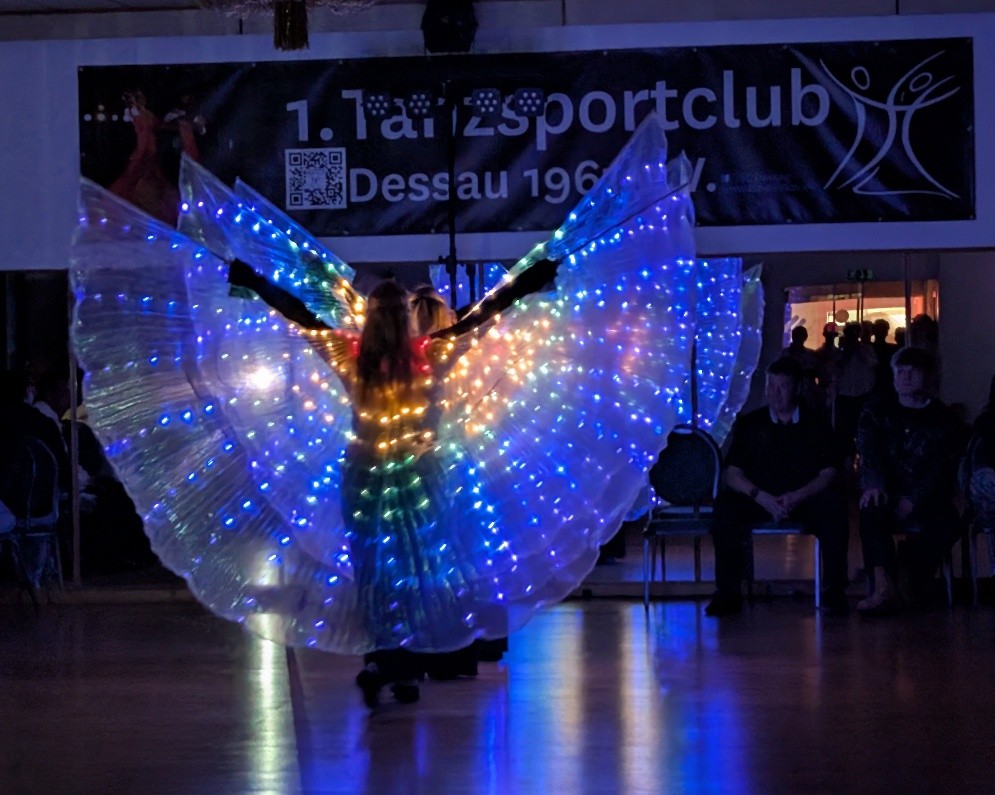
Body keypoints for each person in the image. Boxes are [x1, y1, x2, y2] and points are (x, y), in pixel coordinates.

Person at [227, 260, 557, 706]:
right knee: (417, 570)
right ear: (406, 317)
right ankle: (405, 666)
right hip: (419, 476)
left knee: (376, 572)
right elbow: (482, 315)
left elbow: (300, 314)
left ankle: (384, 660)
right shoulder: (431, 352)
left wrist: (256, 281)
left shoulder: (349, 354)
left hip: (364, 476)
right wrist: (528, 282)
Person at [705, 357, 850, 617]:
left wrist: (797, 496)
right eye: (771, 386)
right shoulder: (751, 424)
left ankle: (834, 590)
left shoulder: (816, 422)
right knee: (725, 510)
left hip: (804, 498)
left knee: (835, 509)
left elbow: (828, 473)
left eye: (782, 387)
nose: (775, 393)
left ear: (796, 388)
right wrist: (759, 496)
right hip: (761, 498)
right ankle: (728, 591)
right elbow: (733, 473)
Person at [855, 346, 965, 613]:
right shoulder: (877, 411)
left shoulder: (945, 419)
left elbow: (943, 468)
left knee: (949, 522)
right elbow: (869, 450)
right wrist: (874, 484)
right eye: (900, 371)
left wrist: (915, 500)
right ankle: (882, 584)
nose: (904, 377)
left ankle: (910, 572)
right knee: (871, 510)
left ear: (926, 376)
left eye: (911, 372)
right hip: (887, 491)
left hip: (927, 496)